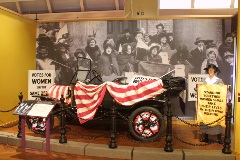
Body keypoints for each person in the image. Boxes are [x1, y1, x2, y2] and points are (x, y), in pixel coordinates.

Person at [199, 64, 224, 144]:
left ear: (215, 71)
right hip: (206, 103)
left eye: (212, 70)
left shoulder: (219, 80)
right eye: (209, 70)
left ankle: (219, 137)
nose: (210, 71)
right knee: (206, 118)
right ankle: (205, 136)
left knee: (217, 118)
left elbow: (223, 92)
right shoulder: (204, 80)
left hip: (215, 104)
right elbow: (201, 91)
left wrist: (221, 87)